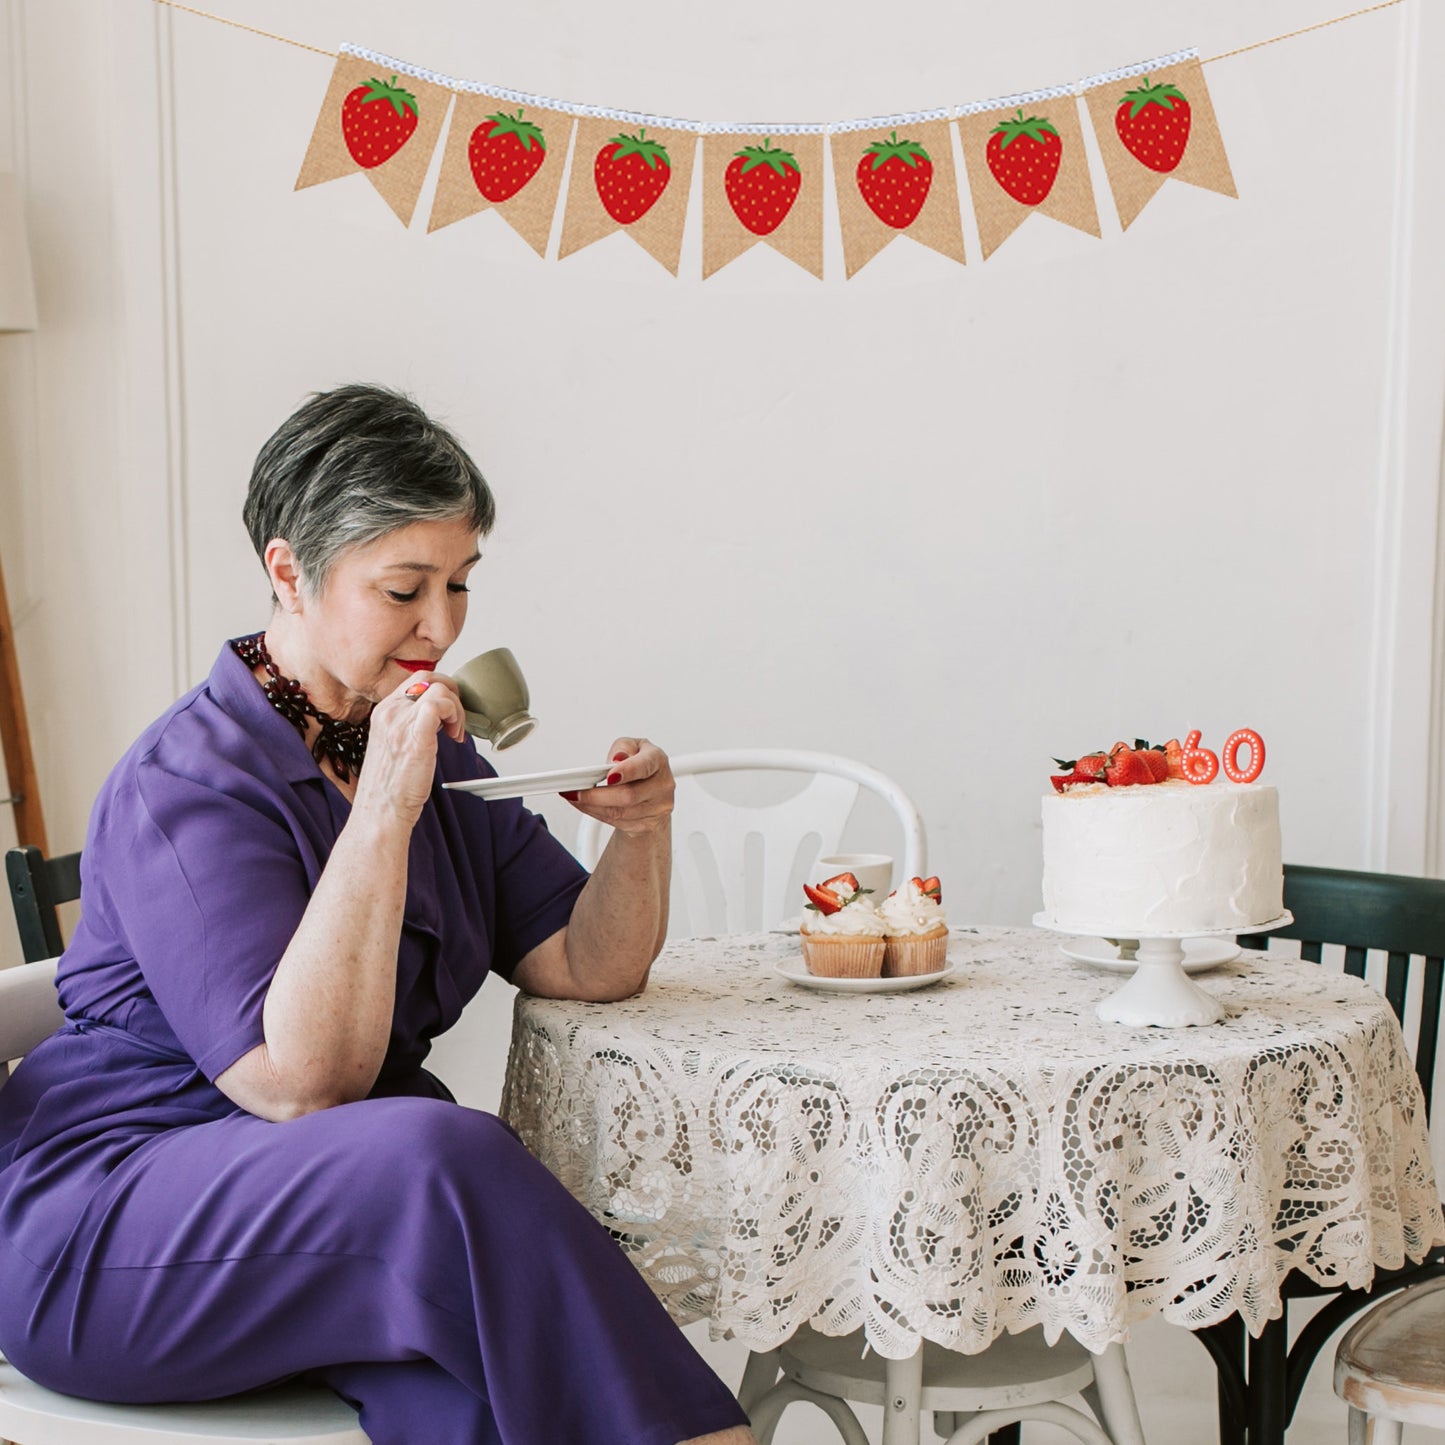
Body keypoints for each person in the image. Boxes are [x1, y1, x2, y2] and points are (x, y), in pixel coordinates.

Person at [0, 384, 756, 1445]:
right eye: (403, 587)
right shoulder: (190, 782)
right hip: (114, 1226)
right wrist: (386, 814)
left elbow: (587, 964)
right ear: (287, 571)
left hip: (339, 1221)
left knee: (485, 1394)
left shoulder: (425, 749)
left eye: (457, 583)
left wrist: (641, 831)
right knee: (452, 1152)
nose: (440, 625)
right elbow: (303, 1085)